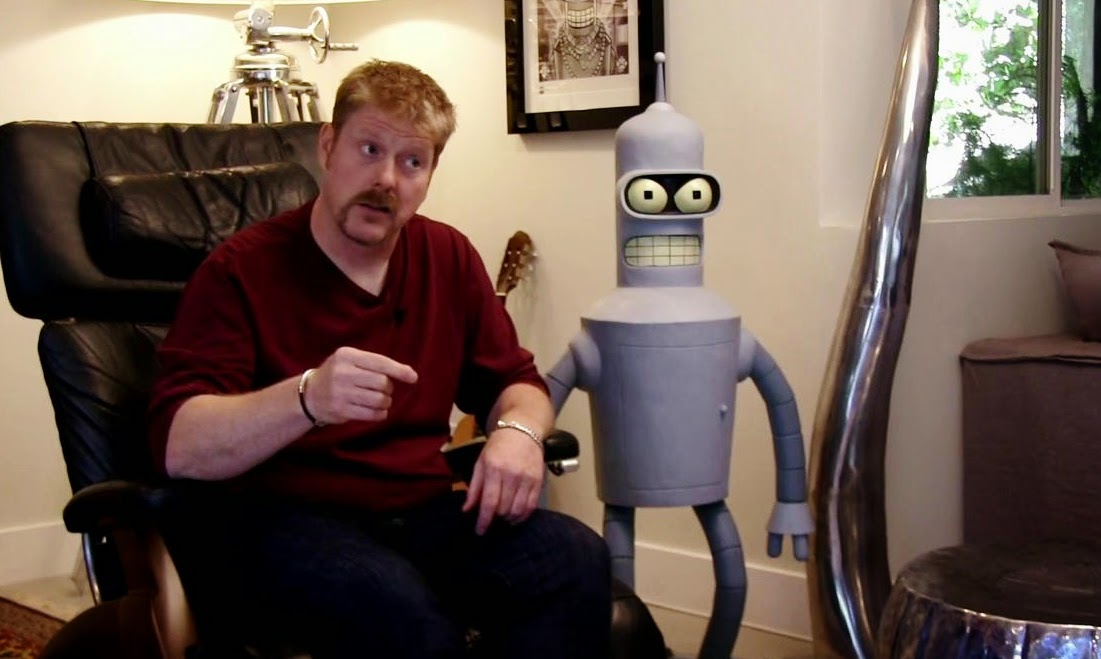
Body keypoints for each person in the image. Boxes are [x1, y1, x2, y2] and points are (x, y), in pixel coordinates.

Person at [147, 59, 611, 659]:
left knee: (575, 558)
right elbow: (180, 445)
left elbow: (516, 384)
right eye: (369, 149)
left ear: (430, 174)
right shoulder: (241, 271)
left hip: (419, 513)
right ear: (327, 146)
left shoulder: (447, 256)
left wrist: (519, 434)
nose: (386, 179)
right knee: (399, 612)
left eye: (412, 162)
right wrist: (308, 398)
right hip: (281, 522)